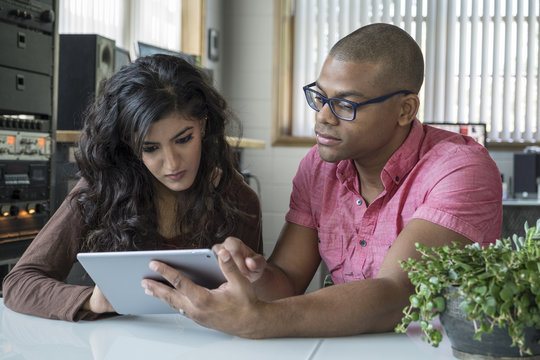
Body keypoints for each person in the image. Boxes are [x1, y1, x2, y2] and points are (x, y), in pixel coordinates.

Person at [141, 23, 502, 338]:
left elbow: (395, 295)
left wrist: (261, 319)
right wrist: (251, 274)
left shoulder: (459, 168)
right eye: (320, 98)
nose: (323, 118)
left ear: (405, 110)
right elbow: (285, 282)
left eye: (346, 105)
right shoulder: (319, 167)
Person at [2, 54, 263, 321]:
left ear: (204, 125)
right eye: (150, 148)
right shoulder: (101, 189)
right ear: (128, 143)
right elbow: (19, 283)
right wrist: (92, 300)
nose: (172, 164)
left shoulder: (239, 200)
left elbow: (254, 304)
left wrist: (253, 276)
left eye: (184, 139)